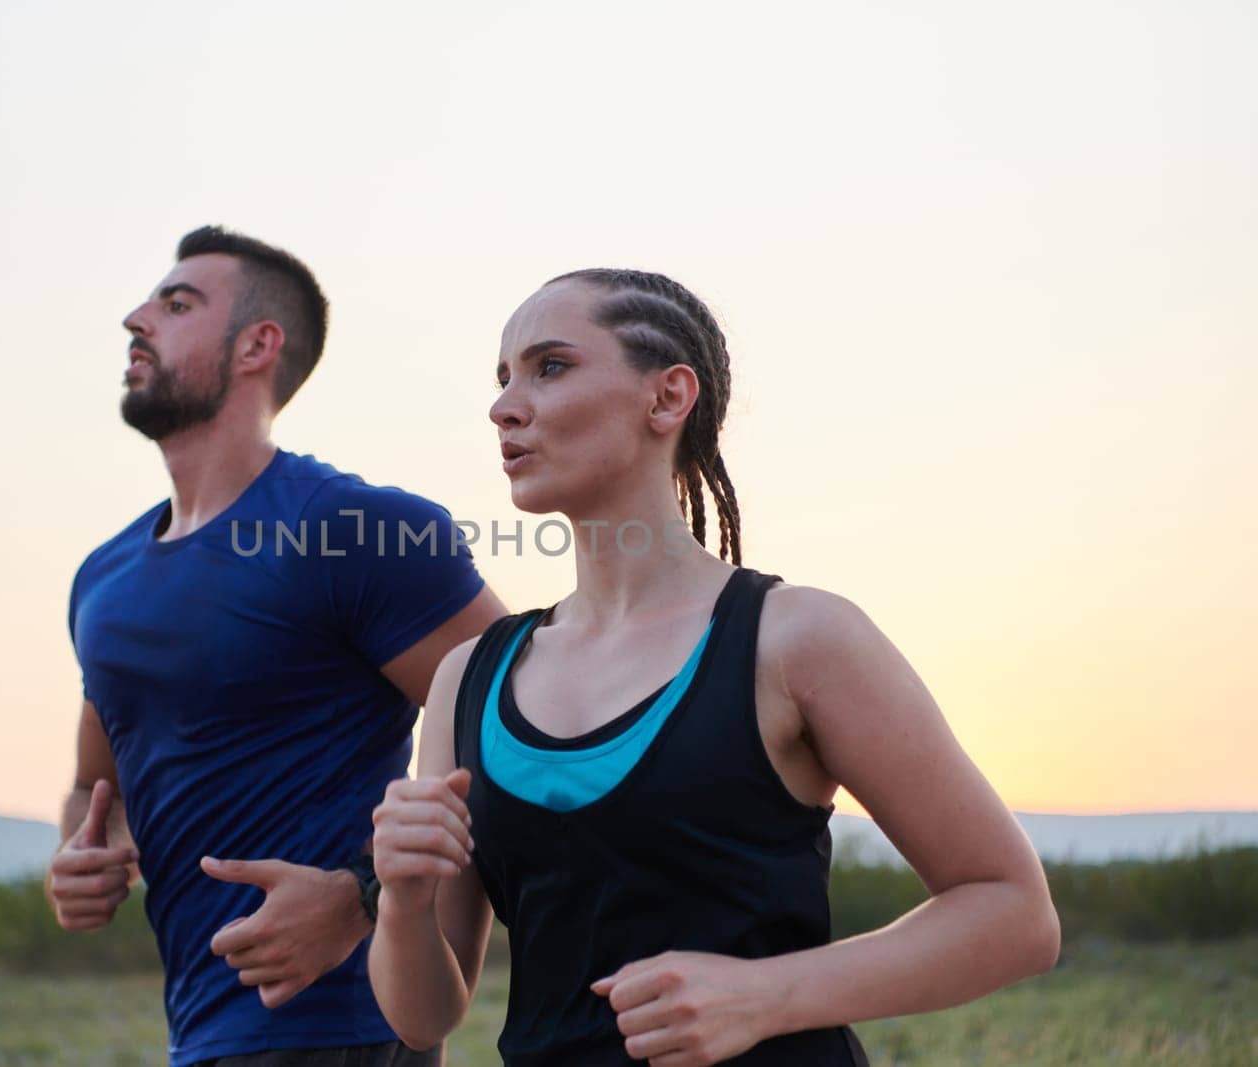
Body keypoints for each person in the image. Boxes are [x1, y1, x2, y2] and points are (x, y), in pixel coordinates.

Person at [366, 268, 1061, 1065]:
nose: (503, 406)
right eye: (501, 378)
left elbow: (1015, 914)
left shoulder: (795, 638)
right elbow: (424, 1017)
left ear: (667, 398)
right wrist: (404, 900)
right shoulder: (469, 677)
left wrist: (767, 996)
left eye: (549, 366)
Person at [49, 225, 508, 1067]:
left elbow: (527, 733)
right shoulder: (103, 578)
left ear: (259, 344)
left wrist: (364, 896)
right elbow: (93, 785)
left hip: (348, 1026)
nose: (134, 319)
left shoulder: (354, 531)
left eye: (177, 303)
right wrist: (85, 851)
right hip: (198, 1031)